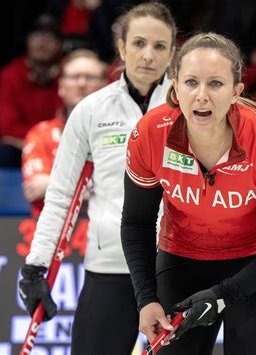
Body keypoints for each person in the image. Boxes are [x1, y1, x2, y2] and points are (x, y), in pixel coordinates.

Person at [121, 32, 256, 355]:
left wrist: (223, 294)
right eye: (191, 82)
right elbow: (137, 222)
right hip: (181, 260)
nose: (202, 96)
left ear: (236, 91)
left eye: (216, 84)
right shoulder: (150, 135)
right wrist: (147, 300)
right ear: (175, 85)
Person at [18, 2, 177, 354]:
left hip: (176, 268)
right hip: (111, 266)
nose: (148, 55)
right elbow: (60, 195)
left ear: (172, 52)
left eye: (159, 46)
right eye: (138, 43)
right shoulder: (91, 110)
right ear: (120, 47)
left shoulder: (189, 108)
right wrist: (36, 266)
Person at [22, 49, 109, 218]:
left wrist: (51, 184)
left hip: (105, 233)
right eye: (74, 77)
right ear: (61, 86)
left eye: (90, 77)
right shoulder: (40, 134)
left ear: (106, 86)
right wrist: (96, 189)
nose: (82, 83)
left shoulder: (124, 134)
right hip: (52, 233)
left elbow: (121, 193)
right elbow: (36, 191)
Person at [0, 14, 63, 167]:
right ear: (27, 40)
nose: (43, 42)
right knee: (4, 151)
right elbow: (7, 128)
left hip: (61, 145)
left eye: (51, 36)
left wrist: (47, 141)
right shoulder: (10, 74)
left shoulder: (68, 73)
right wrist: (40, 141)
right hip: (21, 145)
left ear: (60, 44)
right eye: (36, 34)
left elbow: (68, 123)